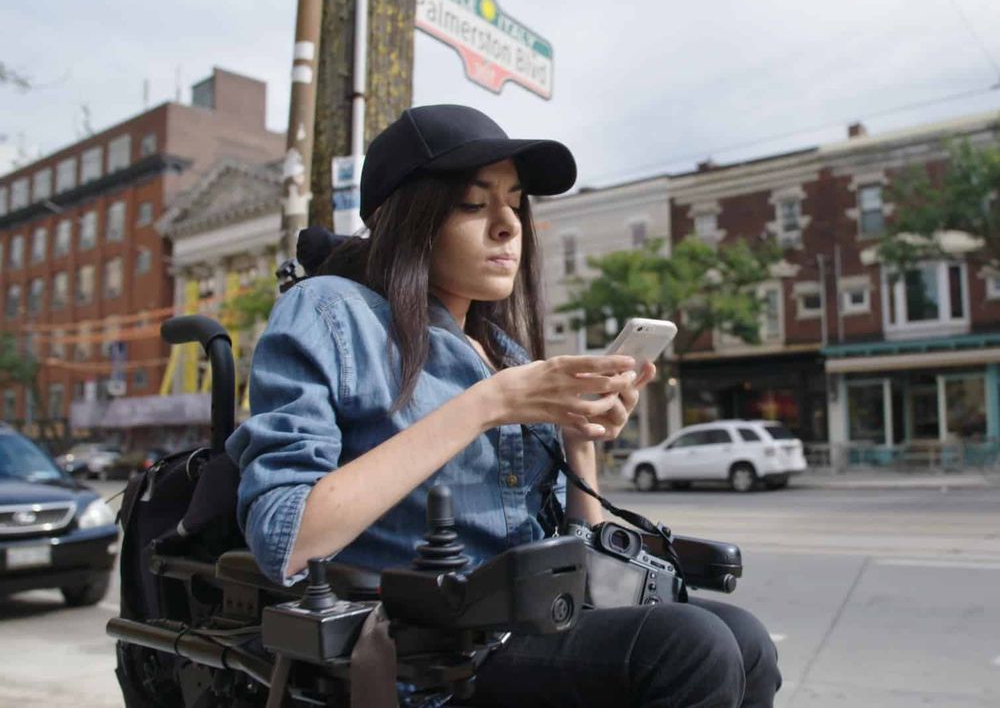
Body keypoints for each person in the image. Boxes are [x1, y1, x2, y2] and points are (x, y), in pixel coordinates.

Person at [227, 104, 780, 707]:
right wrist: (487, 403)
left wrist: (579, 440)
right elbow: (285, 536)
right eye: (473, 203)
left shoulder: (505, 351)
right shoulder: (331, 312)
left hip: (530, 620)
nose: (507, 225)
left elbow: (582, 555)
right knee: (689, 646)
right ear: (399, 217)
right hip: (425, 650)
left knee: (746, 639)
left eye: (514, 203)